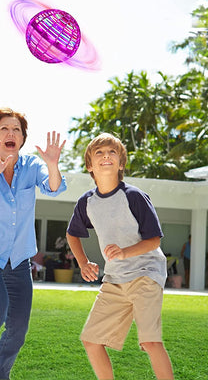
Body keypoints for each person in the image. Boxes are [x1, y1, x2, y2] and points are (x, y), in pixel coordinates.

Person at [0, 107, 67, 380]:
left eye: (16, 130)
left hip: (18, 258)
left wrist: (53, 164)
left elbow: (53, 188)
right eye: (4, 129)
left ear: (22, 138)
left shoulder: (31, 166)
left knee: (18, 327)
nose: (10, 133)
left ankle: (0, 377)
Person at [66, 133, 174, 380]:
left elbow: (154, 240)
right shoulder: (87, 202)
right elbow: (72, 234)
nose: (106, 156)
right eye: (99, 153)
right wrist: (83, 263)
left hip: (146, 273)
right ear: (90, 166)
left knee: (149, 341)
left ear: (121, 163)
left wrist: (125, 252)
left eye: (112, 152)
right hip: (115, 278)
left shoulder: (134, 196)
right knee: (91, 340)